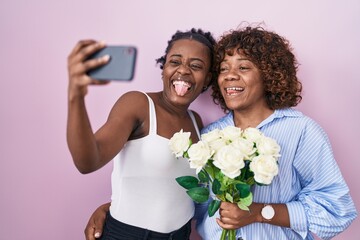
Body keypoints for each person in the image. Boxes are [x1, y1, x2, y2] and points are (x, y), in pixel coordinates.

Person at [84, 25, 358, 240]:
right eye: (224, 69)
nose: (229, 76)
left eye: (243, 68)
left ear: (269, 75)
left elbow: (337, 210)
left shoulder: (301, 132)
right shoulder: (209, 135)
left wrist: (259, 213)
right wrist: (114, 211)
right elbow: (181, 196)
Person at [66, 28, 216, 240]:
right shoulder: (137, 104)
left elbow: (165, 185)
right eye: (175, 62)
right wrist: (76, 96)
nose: (183, 71)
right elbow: (88, 161)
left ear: (207, 78)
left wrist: (108, 206)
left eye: (196, 66)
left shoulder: (196, 121)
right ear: (163, 68)